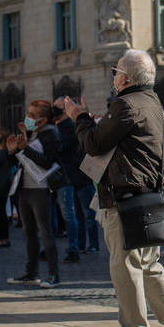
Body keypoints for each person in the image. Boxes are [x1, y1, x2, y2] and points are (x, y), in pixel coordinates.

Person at [67, 49, 164, 327]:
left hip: (127, 196)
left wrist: (80, 118)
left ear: (125, 78)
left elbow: (95, 143)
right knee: (149, 263)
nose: (113, 76)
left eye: (115, 71)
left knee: (125, 264)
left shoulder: (125, 103)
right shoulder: (152, 102)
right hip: (150, 194)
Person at [5, 100, 62, 288]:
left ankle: (54, 274)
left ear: (43, 119)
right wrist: (12, 150)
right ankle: (31, 272)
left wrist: (24, 148)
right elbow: (19, 160)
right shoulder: (31, 133)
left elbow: (47, 162)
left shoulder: (50, 134)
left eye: (32, 115)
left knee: (45, 231)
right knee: (28, 232)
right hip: (25, 188)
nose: (27, 118)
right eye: (27, 113)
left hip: (42, 188)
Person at [52, 97, 93, 262]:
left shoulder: (68, 127)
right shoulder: (59, 127)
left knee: (82, 214)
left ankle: (81, 246)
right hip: (71, 176)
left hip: (76, 176)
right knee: (77, 214)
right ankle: (81, 245)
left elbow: (70, 150)